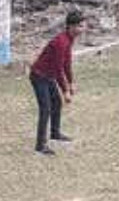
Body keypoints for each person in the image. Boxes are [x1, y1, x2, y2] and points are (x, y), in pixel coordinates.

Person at [29, 11, 82, 155]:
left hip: (49, 76)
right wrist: (65, 91)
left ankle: (55, 133)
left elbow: (67, 63)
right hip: (39, 76)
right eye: (80, 26)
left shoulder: (69, 39)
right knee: (45, 108)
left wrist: (71, 82)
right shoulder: (61, 42)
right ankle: (40, 146)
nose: (82, 29)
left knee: (56, 103)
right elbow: (58, 69)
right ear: (71, 26)